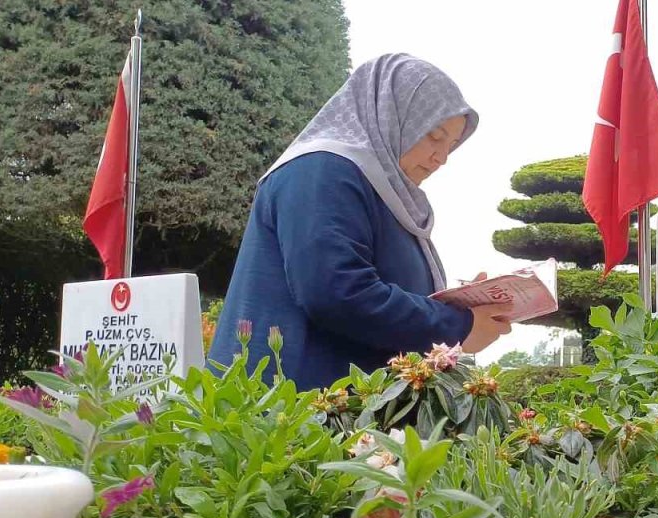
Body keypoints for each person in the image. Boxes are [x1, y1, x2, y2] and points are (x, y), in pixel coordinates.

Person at [209, 54, 511, 389]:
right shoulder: (322, 171)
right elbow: (337, 293)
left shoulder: (382, 192)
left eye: (451, 146)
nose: (441, 158)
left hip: (335, 413)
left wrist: (456, 302)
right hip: (286, 417)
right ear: (392, 115)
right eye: (434, 136)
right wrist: (457, 325)